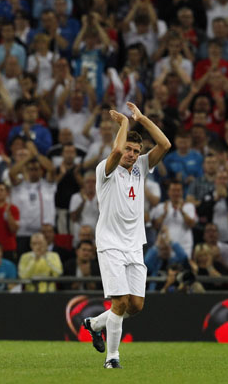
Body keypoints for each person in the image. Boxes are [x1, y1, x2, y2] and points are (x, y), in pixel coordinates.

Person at [82, 102, 171, 369]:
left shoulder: (141, 167)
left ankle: (95, 324)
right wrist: (123, 124)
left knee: (136, 305)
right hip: (110, 244)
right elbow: (117, 149)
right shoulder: (105, 170)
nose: (131, 154)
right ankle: (112, 359)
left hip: (134, 245)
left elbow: (165, 145)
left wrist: (141, 119)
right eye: (130, 150)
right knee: (119, 302)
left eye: (136, 150)